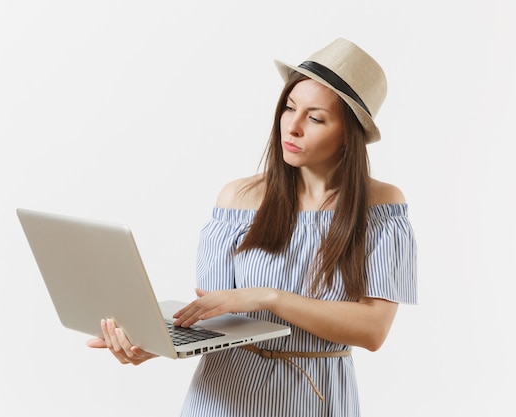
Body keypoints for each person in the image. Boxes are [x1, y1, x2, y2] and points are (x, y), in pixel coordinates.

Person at [87, 38, 417, 416]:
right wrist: (156, 342)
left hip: (315, 398)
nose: (291, 127)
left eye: (314, 117)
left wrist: (268, 297)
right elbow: (216, 315)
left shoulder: (380, 208)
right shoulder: (237, 199)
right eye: (289, 107)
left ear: (349, 133)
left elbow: (373, 330)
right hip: (223, 397)